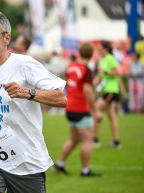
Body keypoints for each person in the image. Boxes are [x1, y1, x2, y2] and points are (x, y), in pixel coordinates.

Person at [0, 11, 67, 193]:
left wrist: (27, 93)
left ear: (6, 38)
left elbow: (61, 98)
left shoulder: (25, 65)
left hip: (26, 159)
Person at [53, 42, 101, 177]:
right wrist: (96, 110)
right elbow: (87, 91)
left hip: (69, 107)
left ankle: (59, 165)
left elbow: (76, 84)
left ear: (80, 53)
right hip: (81, 109)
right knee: (87, 140)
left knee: (74, 139)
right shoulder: (86, 70)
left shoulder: (71, 66)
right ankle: (85, 170)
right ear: (91, 55)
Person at [93, 41, 121, 148]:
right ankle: (116, 141)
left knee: (96, 109)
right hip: (106, 90)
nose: (98, 50)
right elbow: (99, 78)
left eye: (100, 48)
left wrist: (105, 71)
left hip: (111, 90)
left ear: (105, 49)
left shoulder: (110, 58)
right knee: (111, 115)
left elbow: (118, 72)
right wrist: (90, 84)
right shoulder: (102, 61)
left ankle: (95, 140)